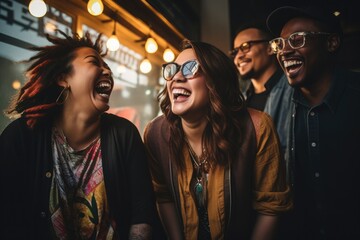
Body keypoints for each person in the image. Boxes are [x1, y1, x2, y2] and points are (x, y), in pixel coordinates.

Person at [0, 31, 155, 239]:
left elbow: (142, 217)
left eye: (107, 67)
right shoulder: (22, 137)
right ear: (63, 78)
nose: (106, 71)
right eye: (94, 63)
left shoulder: (124, 134)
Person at [143, 39, 292, 240]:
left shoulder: (257, 127)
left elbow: (271, 207)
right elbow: (163, 196)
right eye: (173, 69)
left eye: (190, 68)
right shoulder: (155, 134)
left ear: (216, 81)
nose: (176, 77)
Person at [267, 5, 360, 239]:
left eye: (297, 39)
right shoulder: (277, 104)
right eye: (280, 43)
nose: (284, 51)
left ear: (331, 43)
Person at [231, 20, 293, 159]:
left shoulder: (293, 89)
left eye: (245, 46)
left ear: (271, 48)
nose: (238, 56)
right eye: (235, 51)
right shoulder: (242, 100)